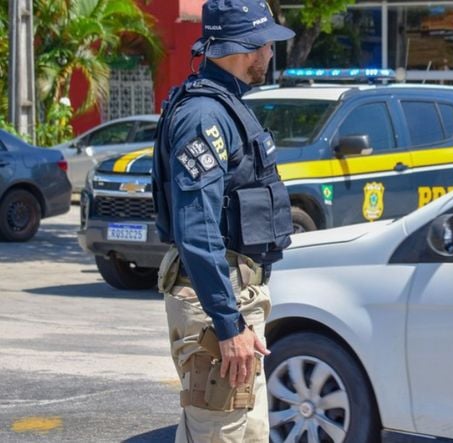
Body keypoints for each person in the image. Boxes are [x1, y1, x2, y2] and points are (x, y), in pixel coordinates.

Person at [151, 1, 295, 441]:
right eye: (267, 44)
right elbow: (197, 229)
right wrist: (229, 325)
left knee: (236, 430)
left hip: (231, 298)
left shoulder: (223, 106)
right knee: (222, 431)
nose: (271, 54)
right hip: (219, 304)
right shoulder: (204, 117)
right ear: (247, 47)